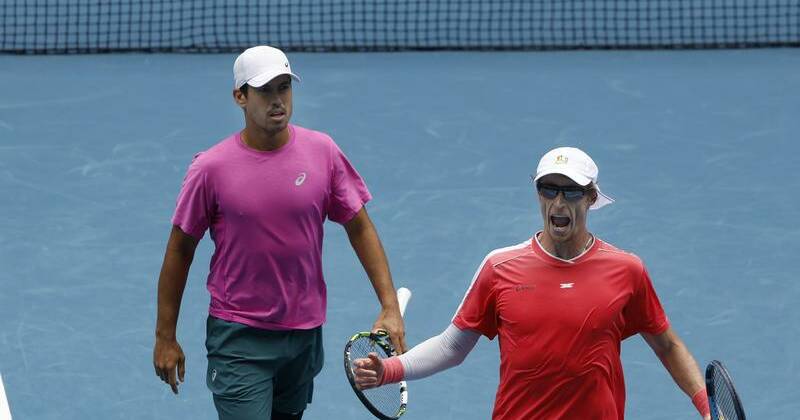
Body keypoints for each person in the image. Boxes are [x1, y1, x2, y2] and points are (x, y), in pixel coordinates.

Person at [353, 147, 711, 419]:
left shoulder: (626, 269)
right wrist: (389, 370)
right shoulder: (500, 267)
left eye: (571, 192)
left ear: (590, 198)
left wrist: (707, 408)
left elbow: (667, 345)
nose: (558, 202)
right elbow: (452, 346)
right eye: (548, 189)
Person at [153, 45, 406, 420]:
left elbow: (360, 226)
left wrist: (389, 306)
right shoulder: (211, 169)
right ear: (240, 96)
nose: (278, 100)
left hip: (304, 334)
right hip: (239, 336)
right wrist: (165, 336)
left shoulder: (323, 152)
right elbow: (179, 250)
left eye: (284, 87)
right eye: (265, 90)